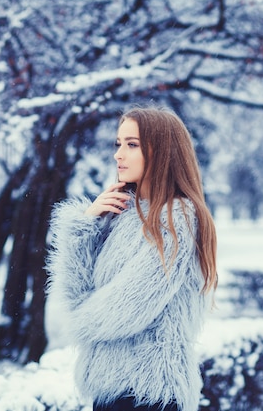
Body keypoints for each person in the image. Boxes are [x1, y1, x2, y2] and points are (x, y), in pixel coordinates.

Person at [46, 105, 217, 411]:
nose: (118, 154)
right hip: (111, 391)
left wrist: (79, 321)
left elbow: (124, 310)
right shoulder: (121, 217)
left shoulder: (176, 219)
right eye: (118, 144)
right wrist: (84, 227)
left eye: (132, 144)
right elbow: (75, 296)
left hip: (149, 393)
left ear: (162, 151)